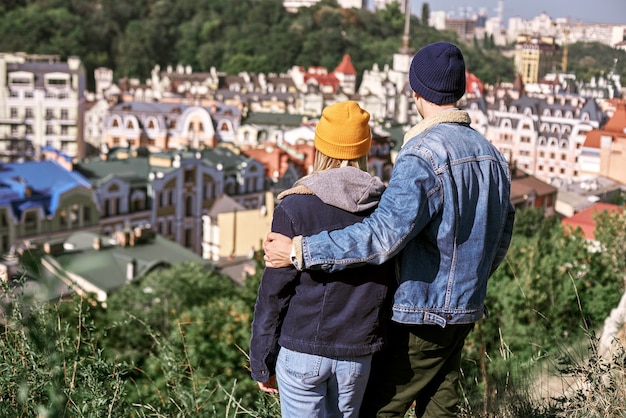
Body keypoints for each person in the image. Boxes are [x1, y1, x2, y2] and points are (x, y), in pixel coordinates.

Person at [263, 42, 516, 417]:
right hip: (464, 311)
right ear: (460, 91)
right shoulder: (491, 155)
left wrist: (300, 251)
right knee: (440, 407)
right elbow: (501, 235)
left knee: (377, 408)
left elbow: (381, 237)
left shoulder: (422, 154)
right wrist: (470, 284)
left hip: (419, 314)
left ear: (416, 92)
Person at [249, 101, 396, 417]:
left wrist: (261, 361)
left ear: (320, 148)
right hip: (358, 354)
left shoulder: (294, 208)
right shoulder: (385, 211)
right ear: (364, 150)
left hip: (302, 348)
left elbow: (274, 293)